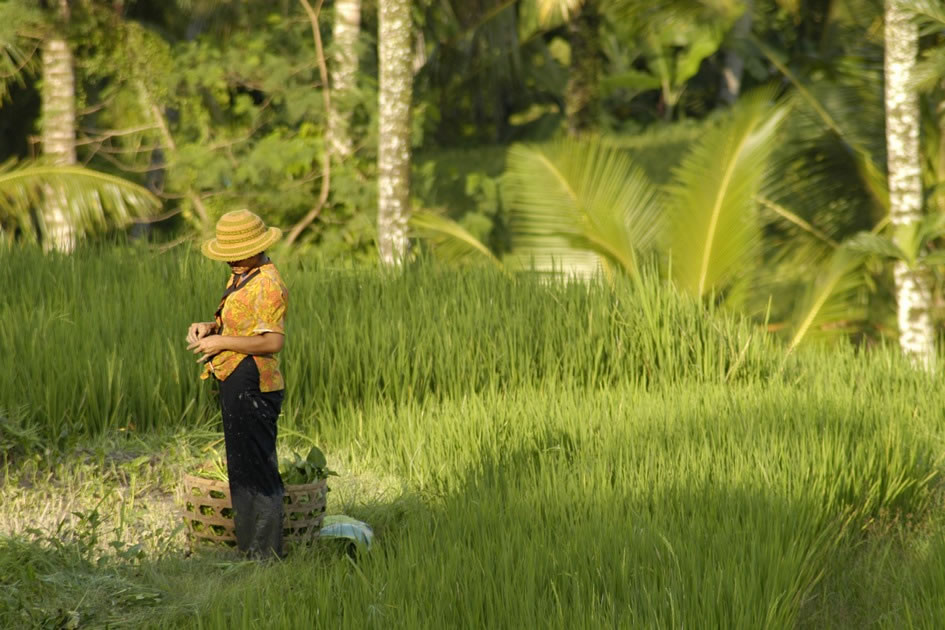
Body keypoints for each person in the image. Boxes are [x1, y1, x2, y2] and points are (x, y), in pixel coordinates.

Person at [186, 209, 288, 559]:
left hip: (255, 382)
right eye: (226, 252)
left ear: (257, 248)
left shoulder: (268, 284)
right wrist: (211, 328)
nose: (229, 259)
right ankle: (250, 549)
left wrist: (222, 343)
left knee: (258, 468)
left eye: (236, 251)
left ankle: (267, 555)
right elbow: (241, 326)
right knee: (240, 465)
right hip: (235, 378)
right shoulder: (242, 276)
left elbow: (272, 342)